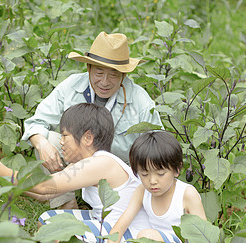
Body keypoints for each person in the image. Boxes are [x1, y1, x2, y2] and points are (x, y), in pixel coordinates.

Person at [0, 103, 150, 243]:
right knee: (46, 221)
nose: (61, 142)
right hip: (110, 227)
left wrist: (3, 171)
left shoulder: (101, 163)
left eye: (64, 136)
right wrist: (3, 177)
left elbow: (43, 186)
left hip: (131, 237)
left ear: (87, 138)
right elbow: (44, 194)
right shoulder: (91, 162)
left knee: (56, 232)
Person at [21, 31, 164, 209]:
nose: (104, 82)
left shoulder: (140, 100)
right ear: (88, 68)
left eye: (113, 74)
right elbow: (36, 124)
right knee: (48, 139)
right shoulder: (71, 86)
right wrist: (42, 145)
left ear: (124, 75)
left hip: (119, 176)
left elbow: (159, 146)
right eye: (99, 72)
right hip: (77, 163)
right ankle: (66, 203)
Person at [103, 131, 214, 243]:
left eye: (160, 174)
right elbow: (121, 225)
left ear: (177, 169)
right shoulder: (142, 191)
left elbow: (204, 241)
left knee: (145, 236)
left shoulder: (187, 194)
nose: (152, 181)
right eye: (144, 174)